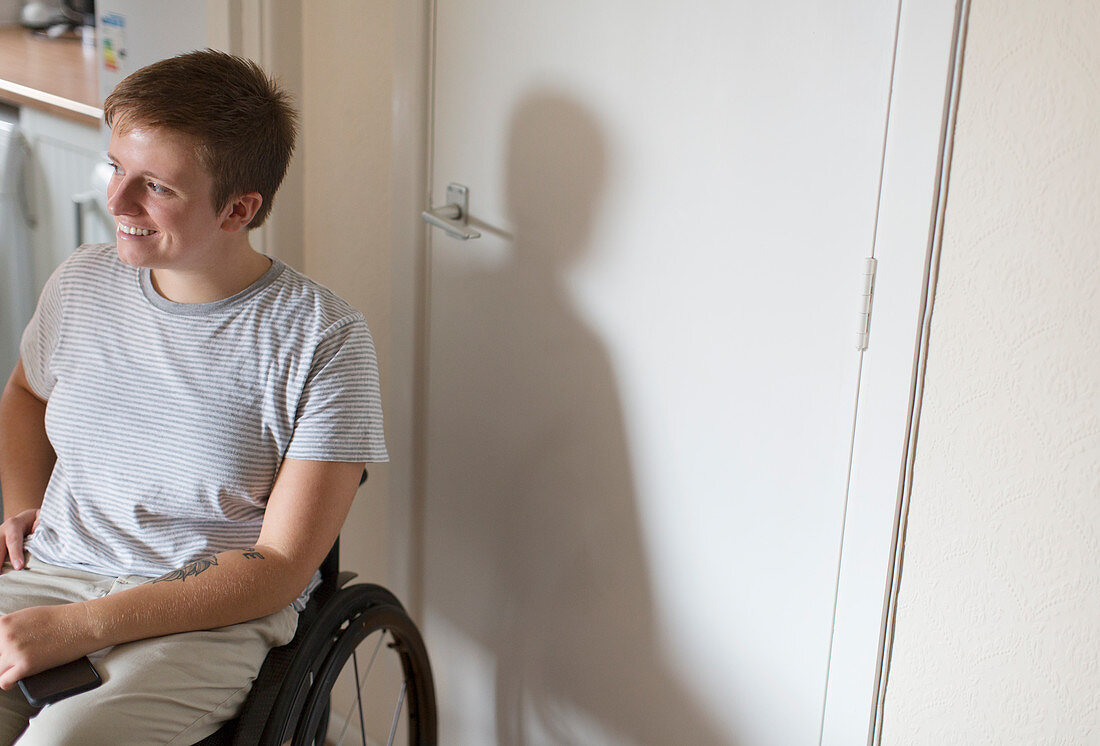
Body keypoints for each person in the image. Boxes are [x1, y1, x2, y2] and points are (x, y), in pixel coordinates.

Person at [0, 50, 387, 744]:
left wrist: (81, 626)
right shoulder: (82, 283)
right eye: (116, 166)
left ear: (239, 208)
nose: (115, 202)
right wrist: (25, 506)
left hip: (205, 618)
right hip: (54, 577)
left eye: (155, 186)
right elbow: (26, 394)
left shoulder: (325, 340)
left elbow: (278, 569)